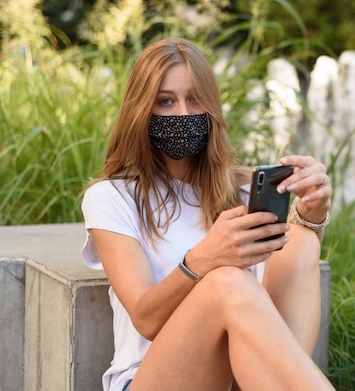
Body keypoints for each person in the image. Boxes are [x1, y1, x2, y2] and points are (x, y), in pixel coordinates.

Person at [80, 37, 335, 391]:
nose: (183, 114)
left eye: (194, 99)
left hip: (241, 379)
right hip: (151, 379)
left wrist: (312, 210)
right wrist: (205, 259)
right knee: (227, 281)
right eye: (165, 101)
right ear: (141, 109)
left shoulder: (246, 190)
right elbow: (145, 318)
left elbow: (287, 277)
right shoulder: (112, 198)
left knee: (302, 241)